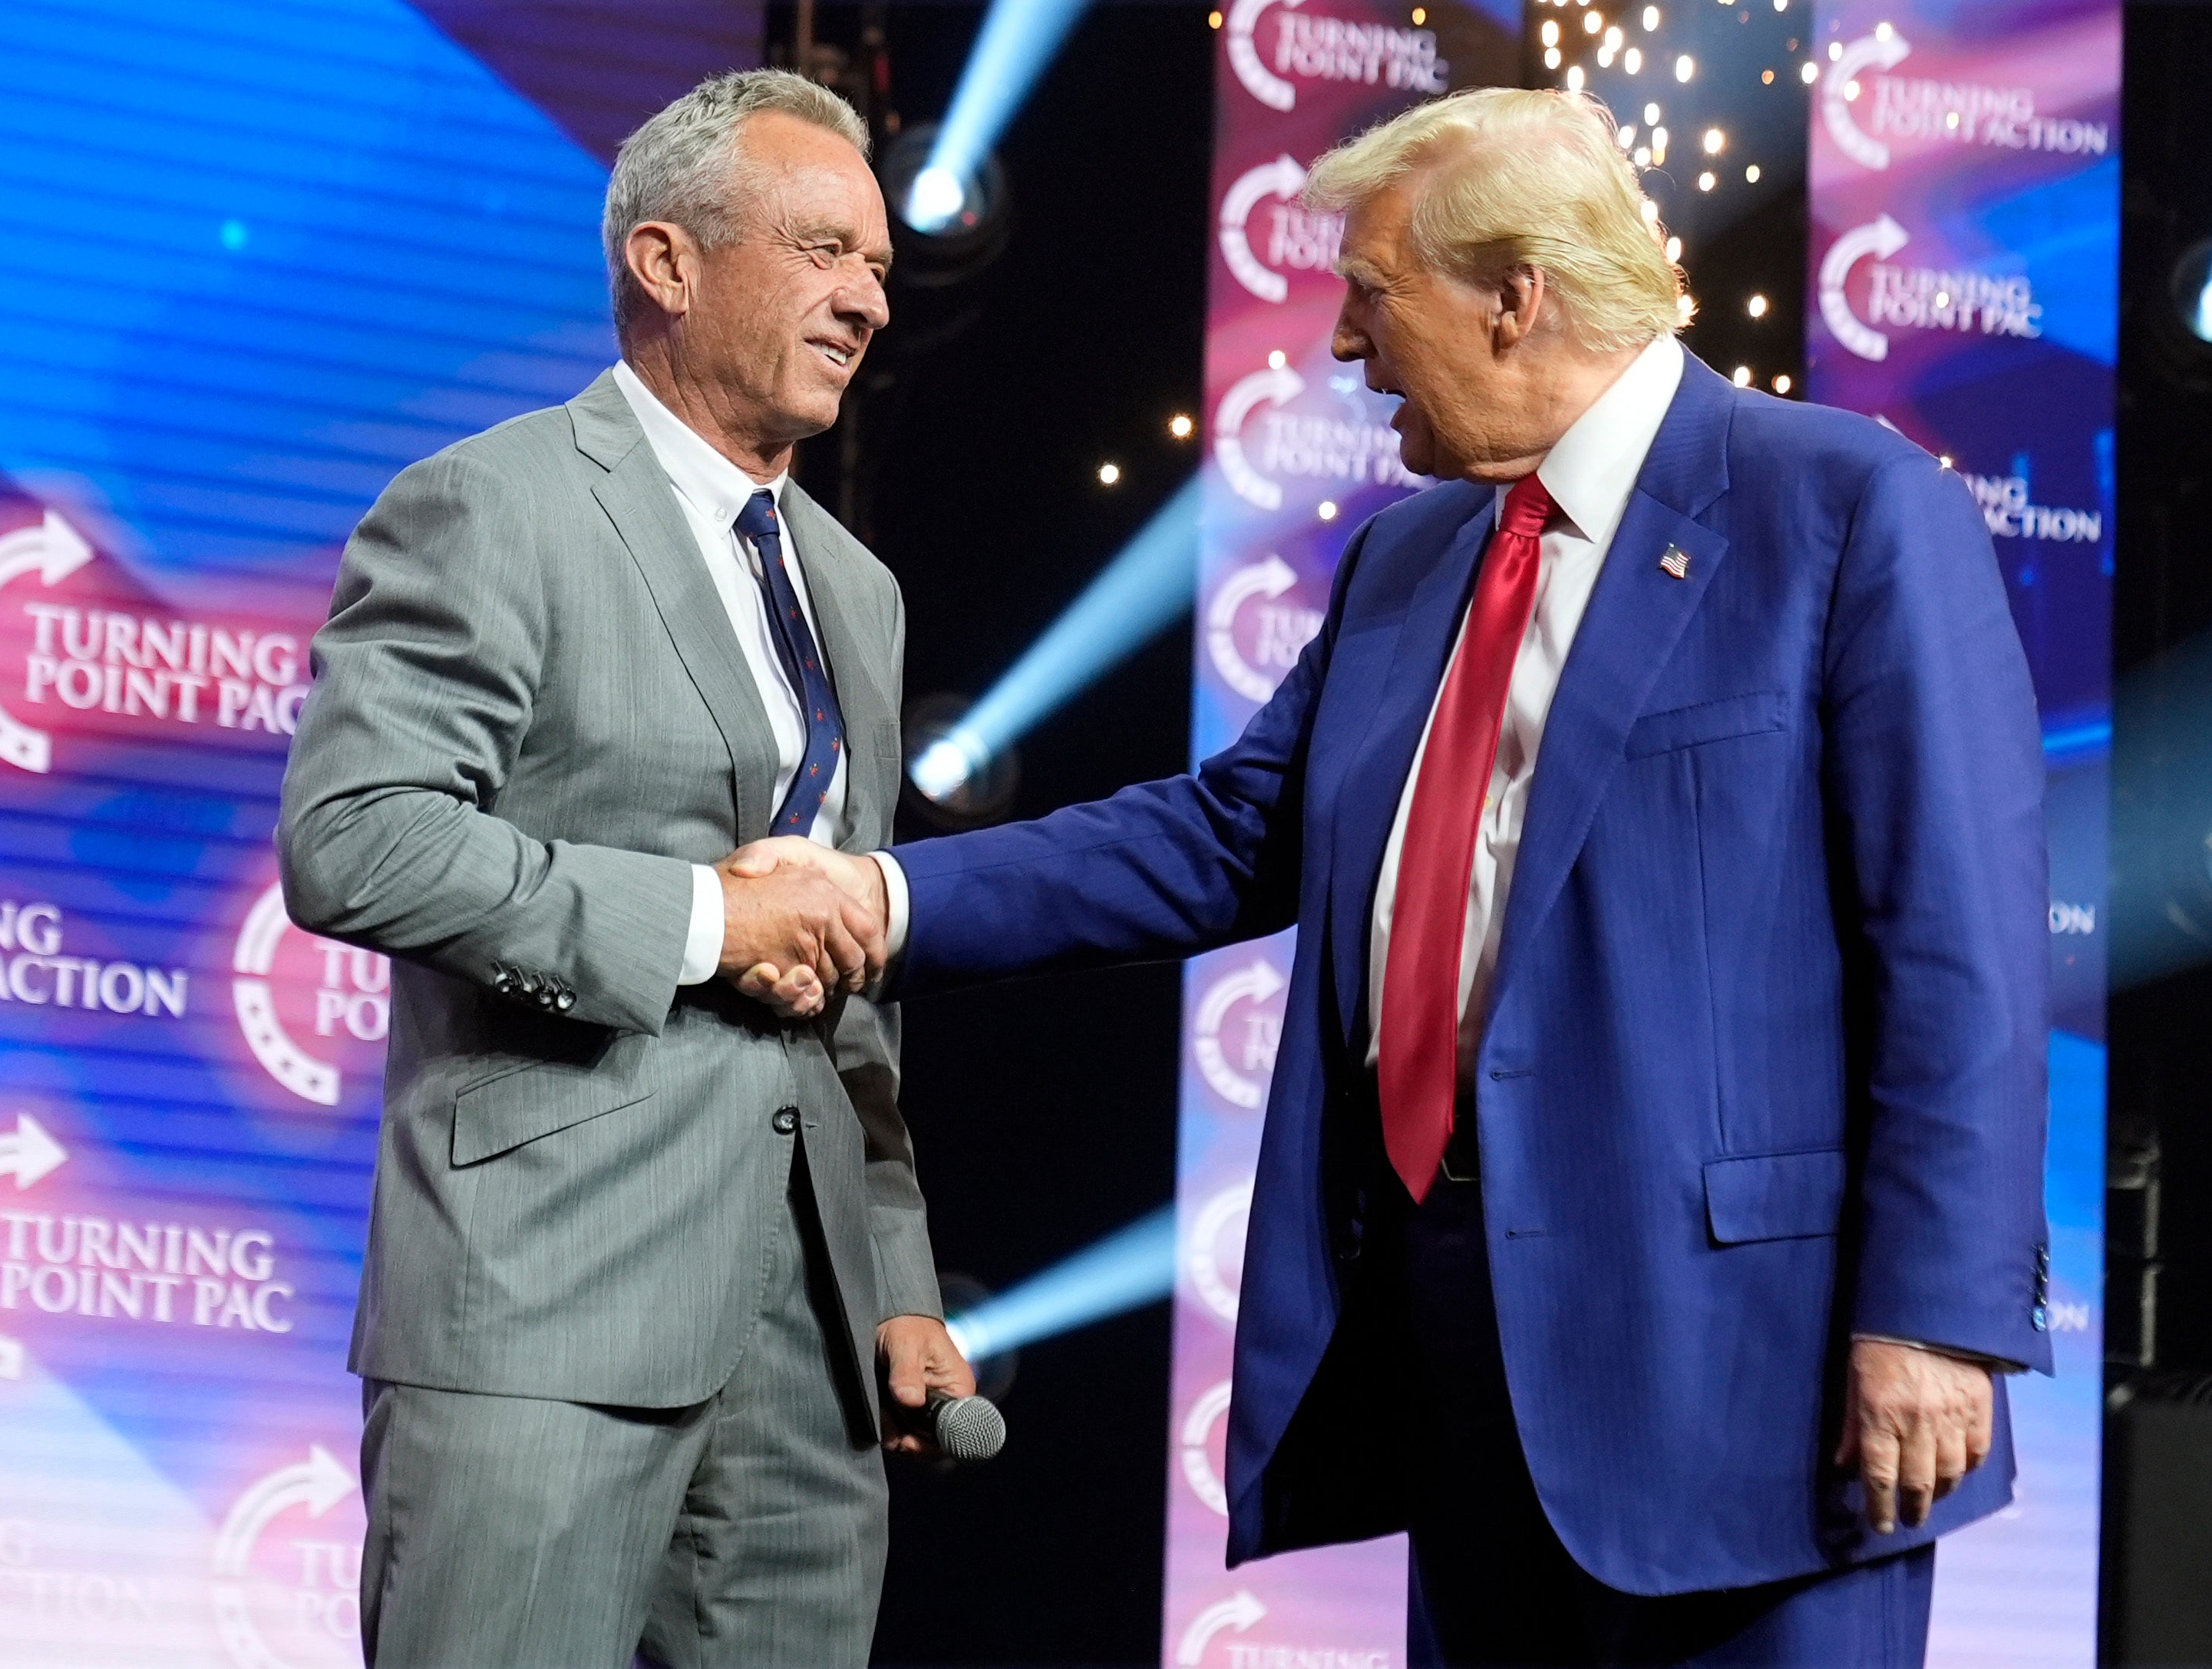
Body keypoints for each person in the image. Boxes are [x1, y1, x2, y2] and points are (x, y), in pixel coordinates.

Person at [760, 88, 2050, 1667]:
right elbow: (1228, 835)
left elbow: (1960, 946)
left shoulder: (1842, 508)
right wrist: (873, 899)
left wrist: (1935, 1314)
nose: (1344, 345)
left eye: (1370, 294)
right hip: (1463, 1360)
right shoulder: (1409, 558)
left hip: (1756, 1390)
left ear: (1513, 297)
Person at [277, 69, 969, 1669]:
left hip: (806, 1361)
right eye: (819, 250)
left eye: (875, 262)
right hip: (540, 1317)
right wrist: (708, 918)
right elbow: (357, 836)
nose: (866, 297)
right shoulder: (491, 506)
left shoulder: (855, 590)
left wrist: (896, 1275)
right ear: (666, 262)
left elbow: (844, 974)